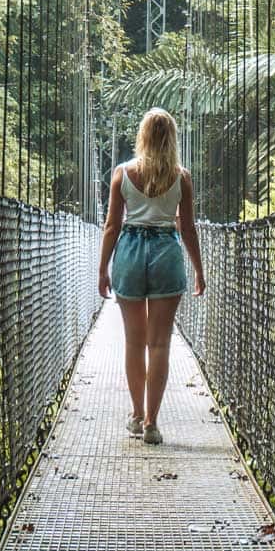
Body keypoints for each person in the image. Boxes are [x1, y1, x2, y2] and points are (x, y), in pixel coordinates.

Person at [96, 107, 206, 446]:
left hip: (129, 250)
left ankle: (135, 412)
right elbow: (186, 228)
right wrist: (199, 270)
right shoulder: (182, 177)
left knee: (134, 341)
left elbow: (113, 226)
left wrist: (103, 268)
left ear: (142, 135)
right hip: (165, 253)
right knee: (160, 343)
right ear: (172, 137)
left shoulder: (122, 173)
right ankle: (151, 423)